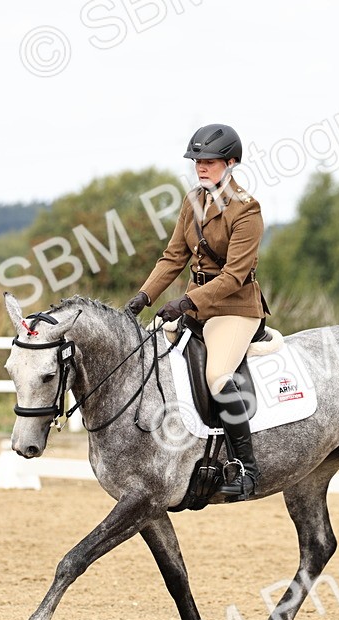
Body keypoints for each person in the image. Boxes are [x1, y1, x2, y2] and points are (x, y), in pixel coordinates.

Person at [125, 123, 269, 500]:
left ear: (231, 162)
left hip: (235, 308)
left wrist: (187, 302)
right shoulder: (192, 202)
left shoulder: (246, 210)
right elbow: (173, 257)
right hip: (197, 305)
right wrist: (143, 297)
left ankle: (248, 470)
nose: (201, 167)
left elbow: (236, 275)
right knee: (151, 352)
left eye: (209, 161)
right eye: (197, 161)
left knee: (218, 376)